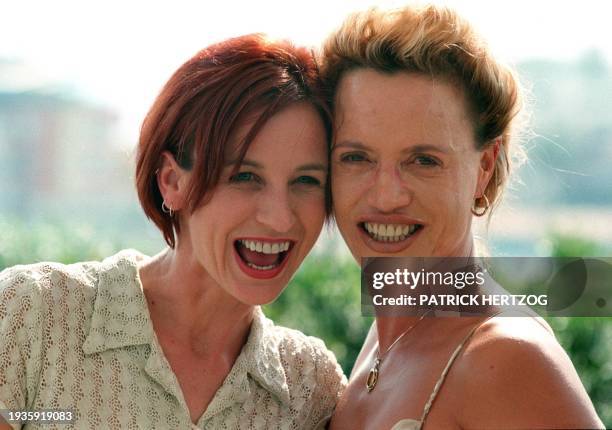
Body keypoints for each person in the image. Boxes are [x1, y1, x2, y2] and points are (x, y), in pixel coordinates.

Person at [0, 34, 346, 429]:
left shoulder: (310, 387)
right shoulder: (33, 314)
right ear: (171, 181)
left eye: (306, 181)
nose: (281, 218)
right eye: (245, 176)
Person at [320, 5, 604, 430]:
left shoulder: (507, 359)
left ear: (485, 166)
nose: (387, 195)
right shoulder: (386, 340)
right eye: (356, 157)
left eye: (423, 160)